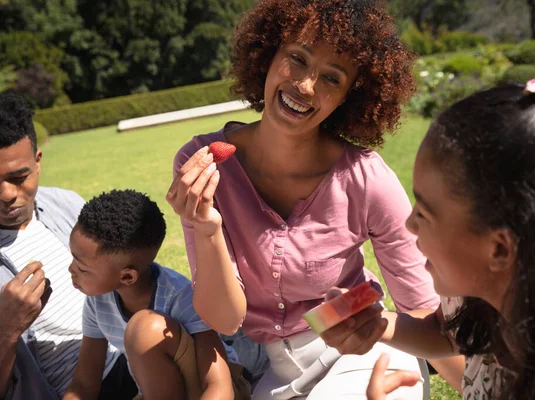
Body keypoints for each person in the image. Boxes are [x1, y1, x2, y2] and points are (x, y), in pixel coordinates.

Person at [168, 1, 463, 398]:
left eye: (331, 78)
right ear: (268, 55)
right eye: (297, 58)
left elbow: (425, 313)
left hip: (362, 352)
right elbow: (225, 319)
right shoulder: (203, 164)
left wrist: (484, 391)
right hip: (272, 376)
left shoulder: (366, 179)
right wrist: (207, 229)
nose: (306, 86)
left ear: (347, 98)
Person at [349, 71, 535, 399]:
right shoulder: (475, 293)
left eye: (425, 213)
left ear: (498, 249)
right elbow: (446, 332)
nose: (410, 225)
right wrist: (379, 324)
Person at [63, 189, 250, 400]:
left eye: (82, 268)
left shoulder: (181, 297)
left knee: (145, 328)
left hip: (222, 392)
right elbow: (84, 383)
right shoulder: (98, 303)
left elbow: (219, 386)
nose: (71, 269)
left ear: (127, 277)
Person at [0, 94, 124, 400]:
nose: (6, 194)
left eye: (18, 177)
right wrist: (6, 330)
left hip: (134, 354)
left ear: (38, 162)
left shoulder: (66, 205)